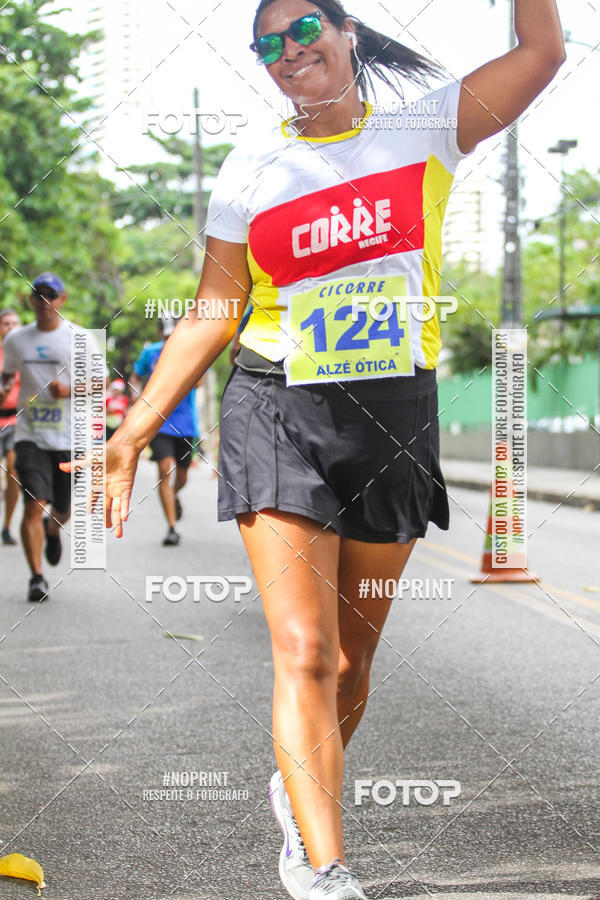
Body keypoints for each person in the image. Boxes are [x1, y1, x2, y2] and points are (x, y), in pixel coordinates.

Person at [66, 1, 565, 895]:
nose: (289, 52)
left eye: (305, 31)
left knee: (347, 663)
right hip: (276, 409)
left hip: (392, 417)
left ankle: (297, 790)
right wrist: (132, 430)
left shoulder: (426, 130)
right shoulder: (250, 167)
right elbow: (216, 307)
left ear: (348, 35)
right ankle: (323, 864)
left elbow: (542, 50)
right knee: (302, 650)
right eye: (269, 44)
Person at [0, 273, 80, 601]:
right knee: (33, 504)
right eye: (38, 295)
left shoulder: (78, 338)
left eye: (51, 295)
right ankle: (37, 578)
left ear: (62, 299)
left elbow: (101, 383)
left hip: (68, 438)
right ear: (30, 300)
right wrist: (4, 388)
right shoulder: (16, 340)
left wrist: (68, 391)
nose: (44, 301)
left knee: (63, 508)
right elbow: (7, 374)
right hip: (29, 434)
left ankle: (53, 528)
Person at [129, 317, 200, 546]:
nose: (169, 339)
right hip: (158, 421)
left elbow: (199, 382)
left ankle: (174, 494)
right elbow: (135, 376)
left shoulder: (191, 349)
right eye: (166, 335)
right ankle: (172, 527)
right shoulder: (150, 352)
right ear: (160, 333)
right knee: (164, 469)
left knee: (182, 476)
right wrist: (135, 396)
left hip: (185, 423)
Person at [0, 308, 21, 545]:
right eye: (6, 323)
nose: (11, 327)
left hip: (17, 420)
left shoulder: (25, 356)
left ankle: (6, 526)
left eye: (15, 323)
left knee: (14, 471)